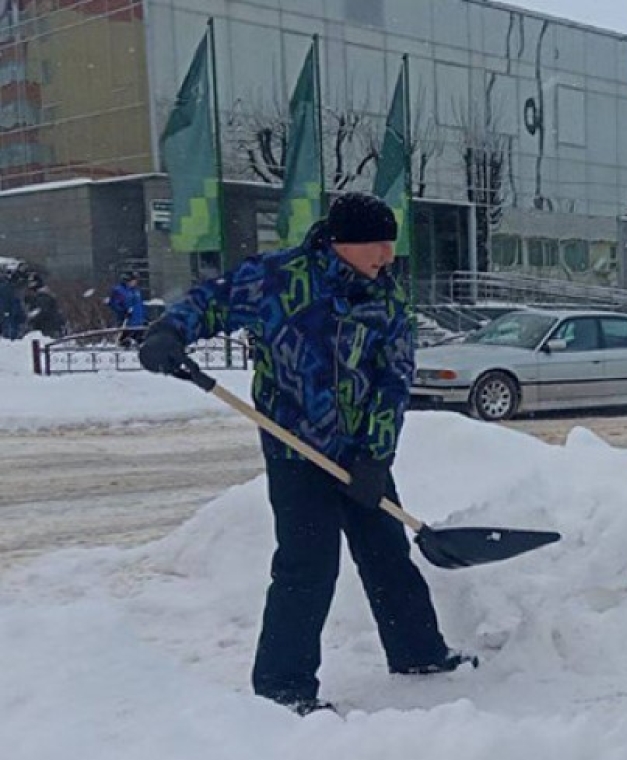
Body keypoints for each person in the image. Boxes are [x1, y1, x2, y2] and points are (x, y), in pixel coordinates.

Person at [137, 193, 469, 715]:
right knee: (306, 568)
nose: (387, 255)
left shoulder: (387, 298)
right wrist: (170, 332)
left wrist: (376, 456)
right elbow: (213, 302)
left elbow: (393, 379)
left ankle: (419, 654)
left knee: (387, 555)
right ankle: (283, 688)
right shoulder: (277, 278)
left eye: (390, 243)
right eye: (377, 244)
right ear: (343, 243)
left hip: (361, 452)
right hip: (294, 450)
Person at [106, 272, 147, 346]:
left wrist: (144, 318)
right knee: (125, 341)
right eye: (133, 280)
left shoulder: (136, 291)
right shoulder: (119, 291)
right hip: (127, 321)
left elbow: (140, 305)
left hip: (138, 321)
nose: (135, 282)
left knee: (139, 341)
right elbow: (114, 304)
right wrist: (123, 311)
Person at [25, 274, 64, 339]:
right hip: (48, 325)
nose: (29, 284)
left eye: (31, 282)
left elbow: (42, 311)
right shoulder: (41, 295)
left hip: (47, 326)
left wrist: (31, 317)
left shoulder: (43, 296)